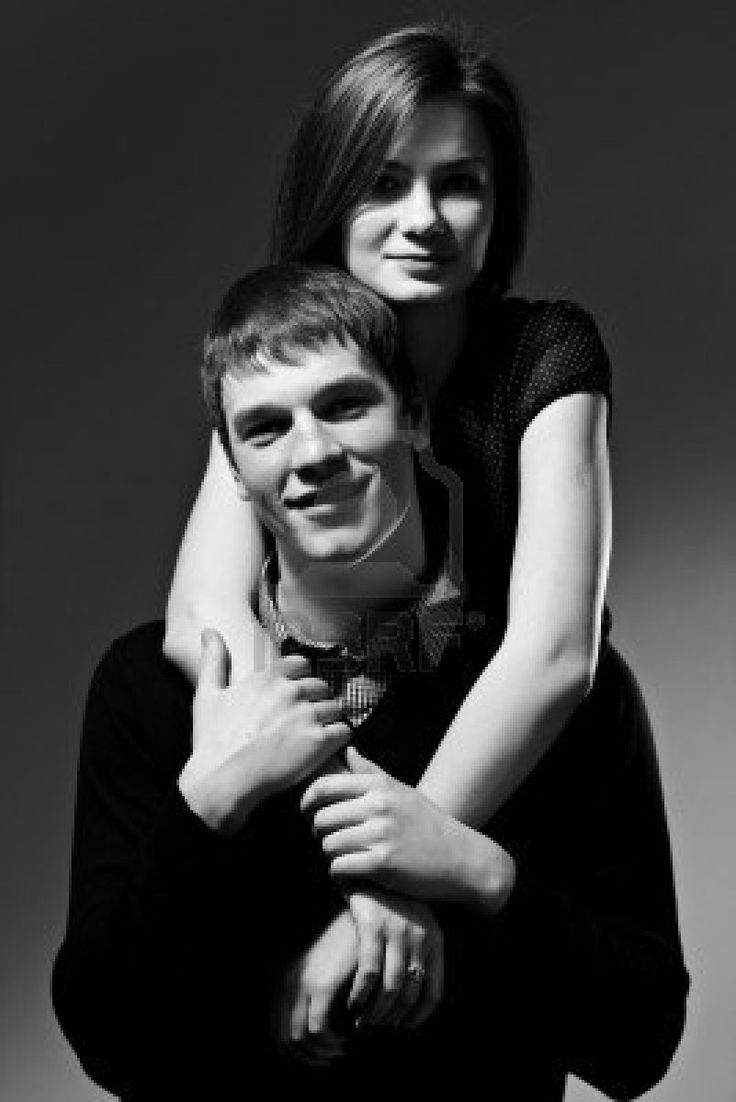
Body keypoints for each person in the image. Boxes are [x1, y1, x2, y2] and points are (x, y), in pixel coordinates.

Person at [52, 263, 688, 1100]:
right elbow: (111, 1041)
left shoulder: (562, 699)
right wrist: (209, 802)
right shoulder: (153, 690)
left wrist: (476, 874)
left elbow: (640, 1044)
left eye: (345, 405)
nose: (312, 453)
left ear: (415, 413)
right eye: (267, 428)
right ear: (235, 470)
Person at [164, 21, 625, 995]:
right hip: (343, 754)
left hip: (513, 777)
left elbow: (555, 651)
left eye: (460, 183)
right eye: (383, 182)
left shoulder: (544, 351)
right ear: (331, 193)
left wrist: (402, 871)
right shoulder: (284, 356)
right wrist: (360, 829)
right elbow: (204, 622)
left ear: (499, 204)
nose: (425, 218)